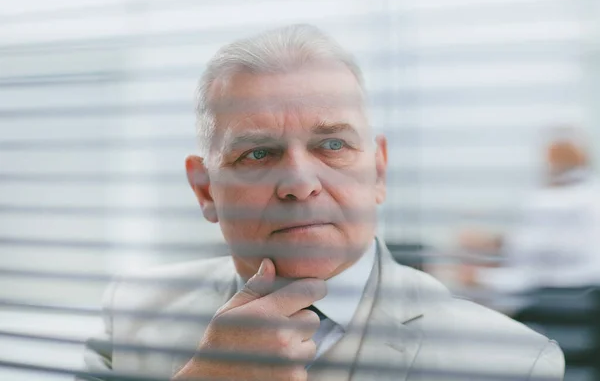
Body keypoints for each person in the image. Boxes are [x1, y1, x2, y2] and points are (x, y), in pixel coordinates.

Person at [79, 24, 564, 381]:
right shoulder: (134, 312)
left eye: (332, 145)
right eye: (258, 153)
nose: (299, 183)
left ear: (378, 170)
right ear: (206, 189)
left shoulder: (511, 363)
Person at [457, 128, 600, 299]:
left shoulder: (568, 199)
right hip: (554, 290)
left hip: (566, 295)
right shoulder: (561, 195)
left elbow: (542, 263)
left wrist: (487, 272)